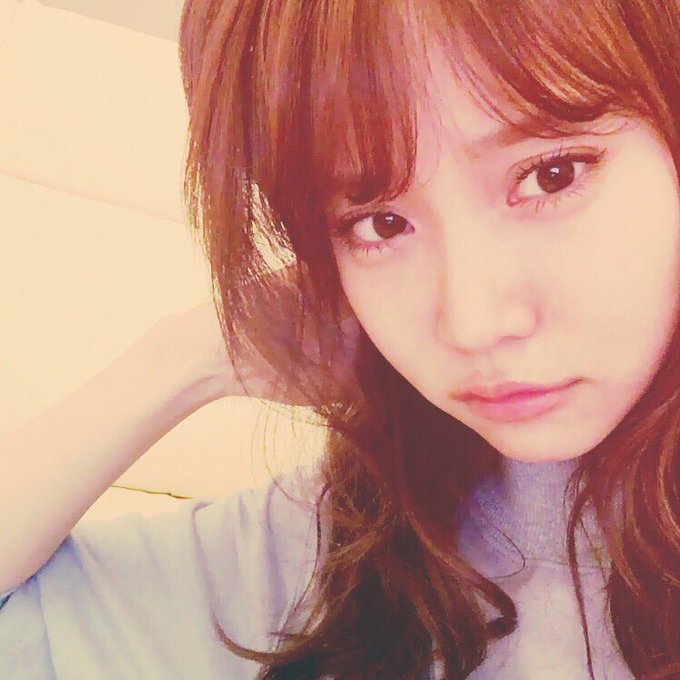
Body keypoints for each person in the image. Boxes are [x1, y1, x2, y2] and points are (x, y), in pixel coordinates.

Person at [2, 0, 679, 677]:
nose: (473, 324)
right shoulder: (335, 545)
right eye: (379, 224)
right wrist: (187, 358)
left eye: (552, 175)